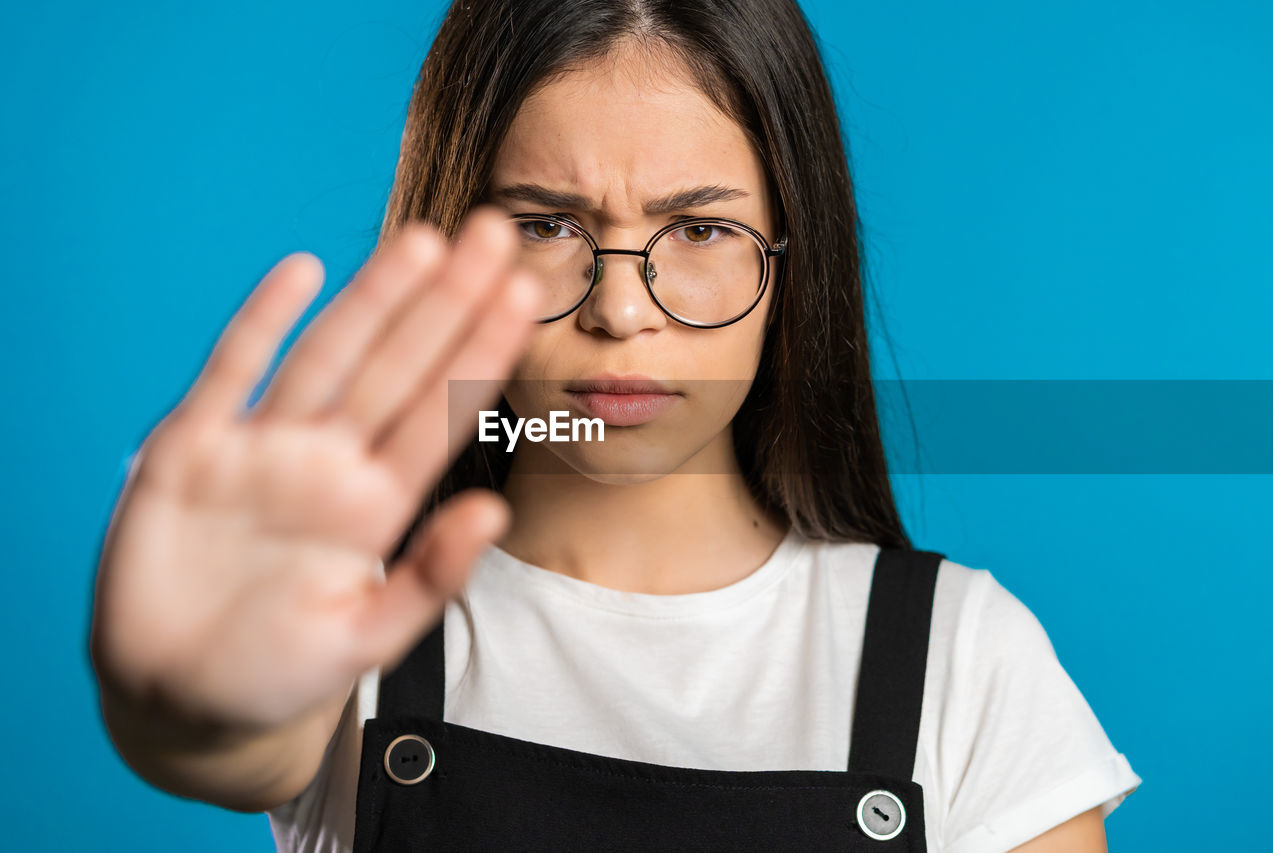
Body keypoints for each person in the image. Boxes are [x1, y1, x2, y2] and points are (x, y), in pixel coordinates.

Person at [88, 0, 1142, 850]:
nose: (620, 308)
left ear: (789, 262)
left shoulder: (964, 657)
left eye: (698, 228)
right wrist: (181, 699)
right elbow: (224, 737)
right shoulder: (350, 614)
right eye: (546, 224)